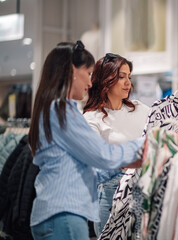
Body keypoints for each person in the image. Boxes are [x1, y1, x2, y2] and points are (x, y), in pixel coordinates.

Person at [28, 41, 144, 240]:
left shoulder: (52, 110)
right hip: (64, 214)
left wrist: (122, 164)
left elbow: (86, 170)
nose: (90, 83)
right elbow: (103, 154)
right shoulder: (62, 111)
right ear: (73, 71)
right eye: (88, 74)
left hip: (55, 214)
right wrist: (148, 145)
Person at [83, 53, 178, 236]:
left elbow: (168, 129)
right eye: (121, 77)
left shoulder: (139, 109)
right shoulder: (92, 119)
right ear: (106, 79)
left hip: (144, 187)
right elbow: (93, 167)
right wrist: (125, 163)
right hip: (111, 193)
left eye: (129, 77)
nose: (128, 82)